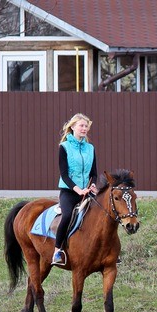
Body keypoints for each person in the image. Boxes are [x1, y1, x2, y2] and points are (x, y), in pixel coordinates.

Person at [52, 113, 98, 266]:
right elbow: (64, 175)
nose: (84, 128)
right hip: (69, 192)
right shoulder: (64, 147)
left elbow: (94, 173)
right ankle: (57, 251)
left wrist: (92, 185)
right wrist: (79, 190)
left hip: (87, 192)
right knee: (66, 216)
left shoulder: (90, 148)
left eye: (86, 126)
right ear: (72, 127)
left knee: (105, 214)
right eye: (81, 126)